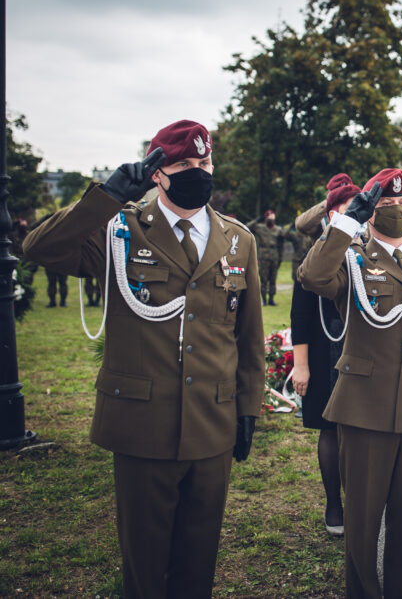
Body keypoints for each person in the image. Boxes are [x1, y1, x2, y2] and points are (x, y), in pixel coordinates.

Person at [23, 120, 264, 598]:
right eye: (183, 164)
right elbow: (38, 248)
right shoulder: (120, 228)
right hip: (143, 422)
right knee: (146, 562)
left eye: (205, 163)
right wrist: (106, 197)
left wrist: (247, 407)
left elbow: (249, 336)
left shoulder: (239, 240)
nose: (198, 171)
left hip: (212, 423)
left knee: (199, 559)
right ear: (158, 173)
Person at [298, 168, 402, 599]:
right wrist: (345, 225)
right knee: (363, 523)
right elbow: (312, 276)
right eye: (386, 205)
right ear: (371, 212)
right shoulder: (350, 259)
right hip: (364, 409)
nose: (397, 211)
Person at [289, 182, 362, 537]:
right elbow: (299, 315)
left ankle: (362, 501)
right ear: (332, 215)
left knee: (361, 432)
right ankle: (334, 503)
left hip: (361, 349)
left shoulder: (369, 250)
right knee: (330, 429)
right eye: (351, 210)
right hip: (322, 349)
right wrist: (300, 364)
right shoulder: (315, 253)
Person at [248, 209, 285, 305]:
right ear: (266, 218)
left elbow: (281, 244)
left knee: (273, 279)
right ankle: (263, 299)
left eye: (272, 217)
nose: (271, 219)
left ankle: (271, 299)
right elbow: (247, 227)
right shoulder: (260, 227)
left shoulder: (278, 229)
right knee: (263, 279)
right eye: (269, 217)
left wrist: (280, 258)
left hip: (274, 255)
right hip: (263, 255)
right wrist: (256, 220)